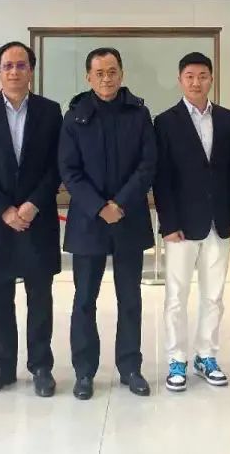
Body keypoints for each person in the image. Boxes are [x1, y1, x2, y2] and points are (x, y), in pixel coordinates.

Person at [0, 41, 62, 398]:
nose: (15, 72)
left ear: (31, 70)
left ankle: (41, 367)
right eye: (8, 66)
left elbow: (57, 164)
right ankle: (2, 368)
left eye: (22, 65)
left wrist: (34, 203)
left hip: (38, 217)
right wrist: (4, 209)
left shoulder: (50, 112)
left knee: (40, 297)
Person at [59, 47, 156, 400]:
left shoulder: (139, 113)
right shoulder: (75, 116)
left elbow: (148, 164)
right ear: (88, 77)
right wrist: (100, 206)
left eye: (112, 71)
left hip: (129, 218)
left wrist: (120, 203)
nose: (106, 78)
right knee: (85, 298)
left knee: (130, 298)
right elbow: (69, 170)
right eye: (99, 73)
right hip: (89, 220)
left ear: (122, 74)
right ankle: (84, 372)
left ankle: (130, 367)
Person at [153, 52, 230, 393]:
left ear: (211, 79)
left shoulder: (228, 119)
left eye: (202, 76)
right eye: (189, 76)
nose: (196, 82)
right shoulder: (165, 121)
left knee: (214, 295)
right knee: (176, 296)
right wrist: (168, 222)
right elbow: (162, 177)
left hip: (219, 222)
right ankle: (176, 359)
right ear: (180, 80)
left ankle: (207, 356)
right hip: (181, 225)